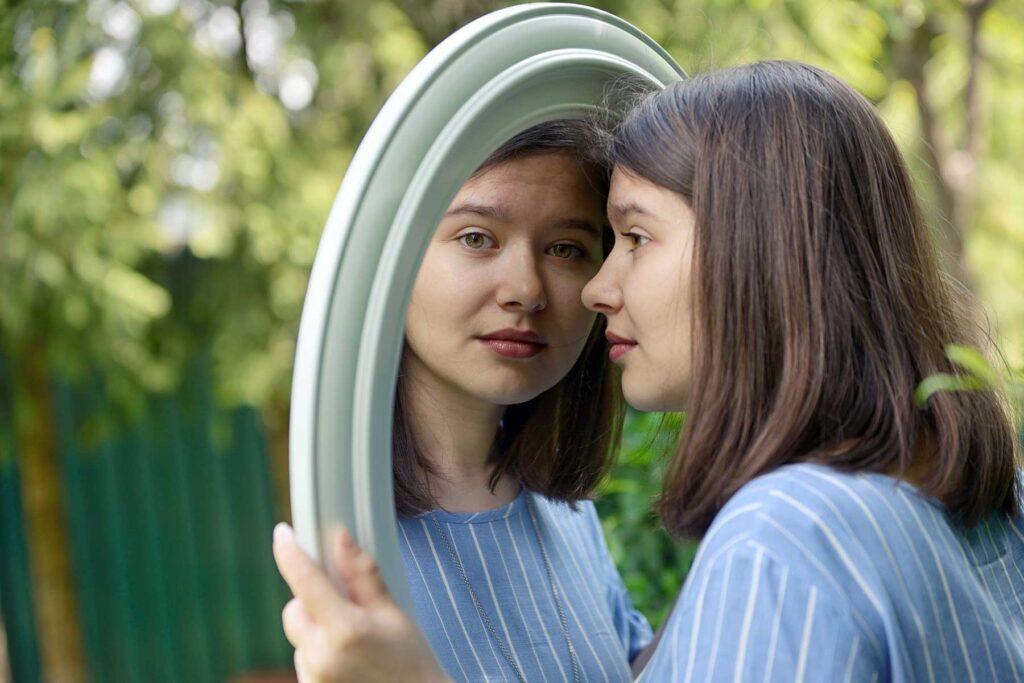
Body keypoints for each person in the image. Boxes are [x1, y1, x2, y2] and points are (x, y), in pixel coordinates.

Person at [273, 61, 1024, 681]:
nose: (548, 289)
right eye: (476, 237)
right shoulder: (979, 496)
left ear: (753, 254)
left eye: (604, 241)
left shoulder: (779, 537)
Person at [275, 120, 652, 683]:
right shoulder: (346, 534)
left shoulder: (564, 511)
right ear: (392, 260)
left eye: (566, 249)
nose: (525, 289)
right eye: (477, 238)